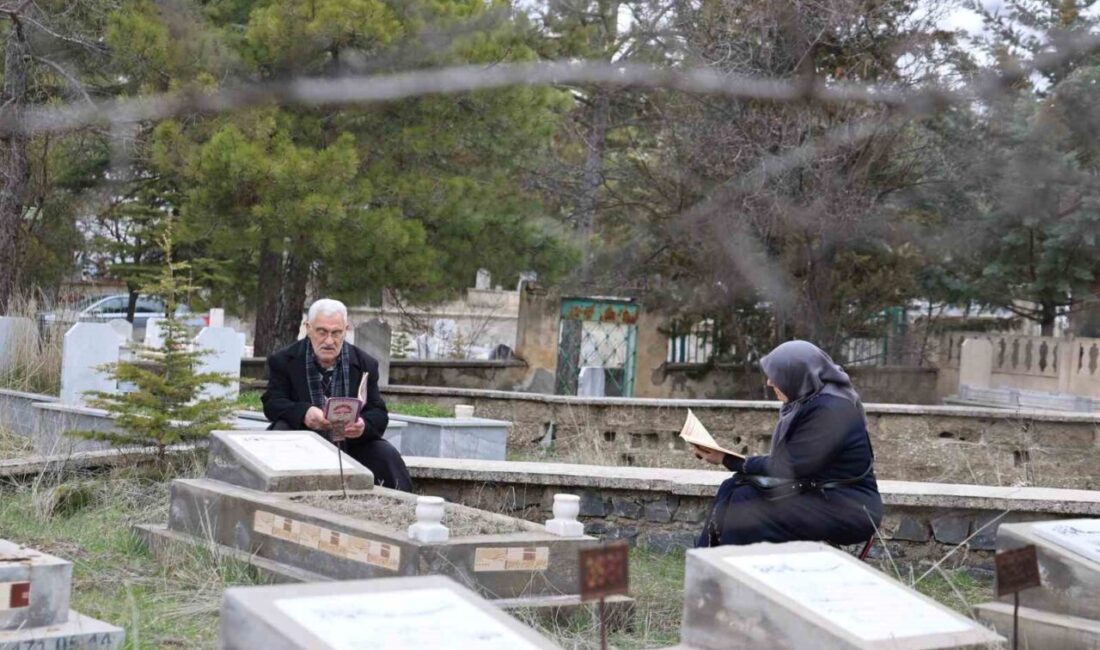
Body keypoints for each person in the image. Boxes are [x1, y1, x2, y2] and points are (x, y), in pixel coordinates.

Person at [694, 340, 882, 547]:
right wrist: (730, 461)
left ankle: (738, 573)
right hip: (820, 495)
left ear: (797, 376)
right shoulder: (811, 403)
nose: (769, 383)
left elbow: (788, 467)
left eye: (776, 377)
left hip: (849, 508)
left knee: (747, 505)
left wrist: (727, 459)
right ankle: (707, 566)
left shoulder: (831, 411)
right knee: (733, 486)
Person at [262, 298, 412, 491]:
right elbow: (272, 403)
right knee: (280, 432)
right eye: (322, 332)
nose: (329, 341)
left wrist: (362, 425)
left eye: (336, 333)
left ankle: (402, 507)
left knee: (386, 454)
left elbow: (378, 413)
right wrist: (304, 413)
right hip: (301, 442)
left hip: (349, 444)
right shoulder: (284, 361)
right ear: (308, 328)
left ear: (346, 330)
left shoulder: (365, 364)